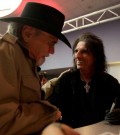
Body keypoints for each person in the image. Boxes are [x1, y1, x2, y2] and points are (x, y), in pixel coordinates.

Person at [0, 2, 71, 135]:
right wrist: (49, 113)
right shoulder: (5, 53)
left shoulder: (26, 60)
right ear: (27, 34)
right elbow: (4, 122)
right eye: (51, 43)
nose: (52, 51)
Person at [48, 32, 120, 128]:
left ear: (96, 57)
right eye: (76, 51)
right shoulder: (66, 79)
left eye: (84, 52)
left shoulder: (110, 82)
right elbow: (52, 108)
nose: (77, 56)